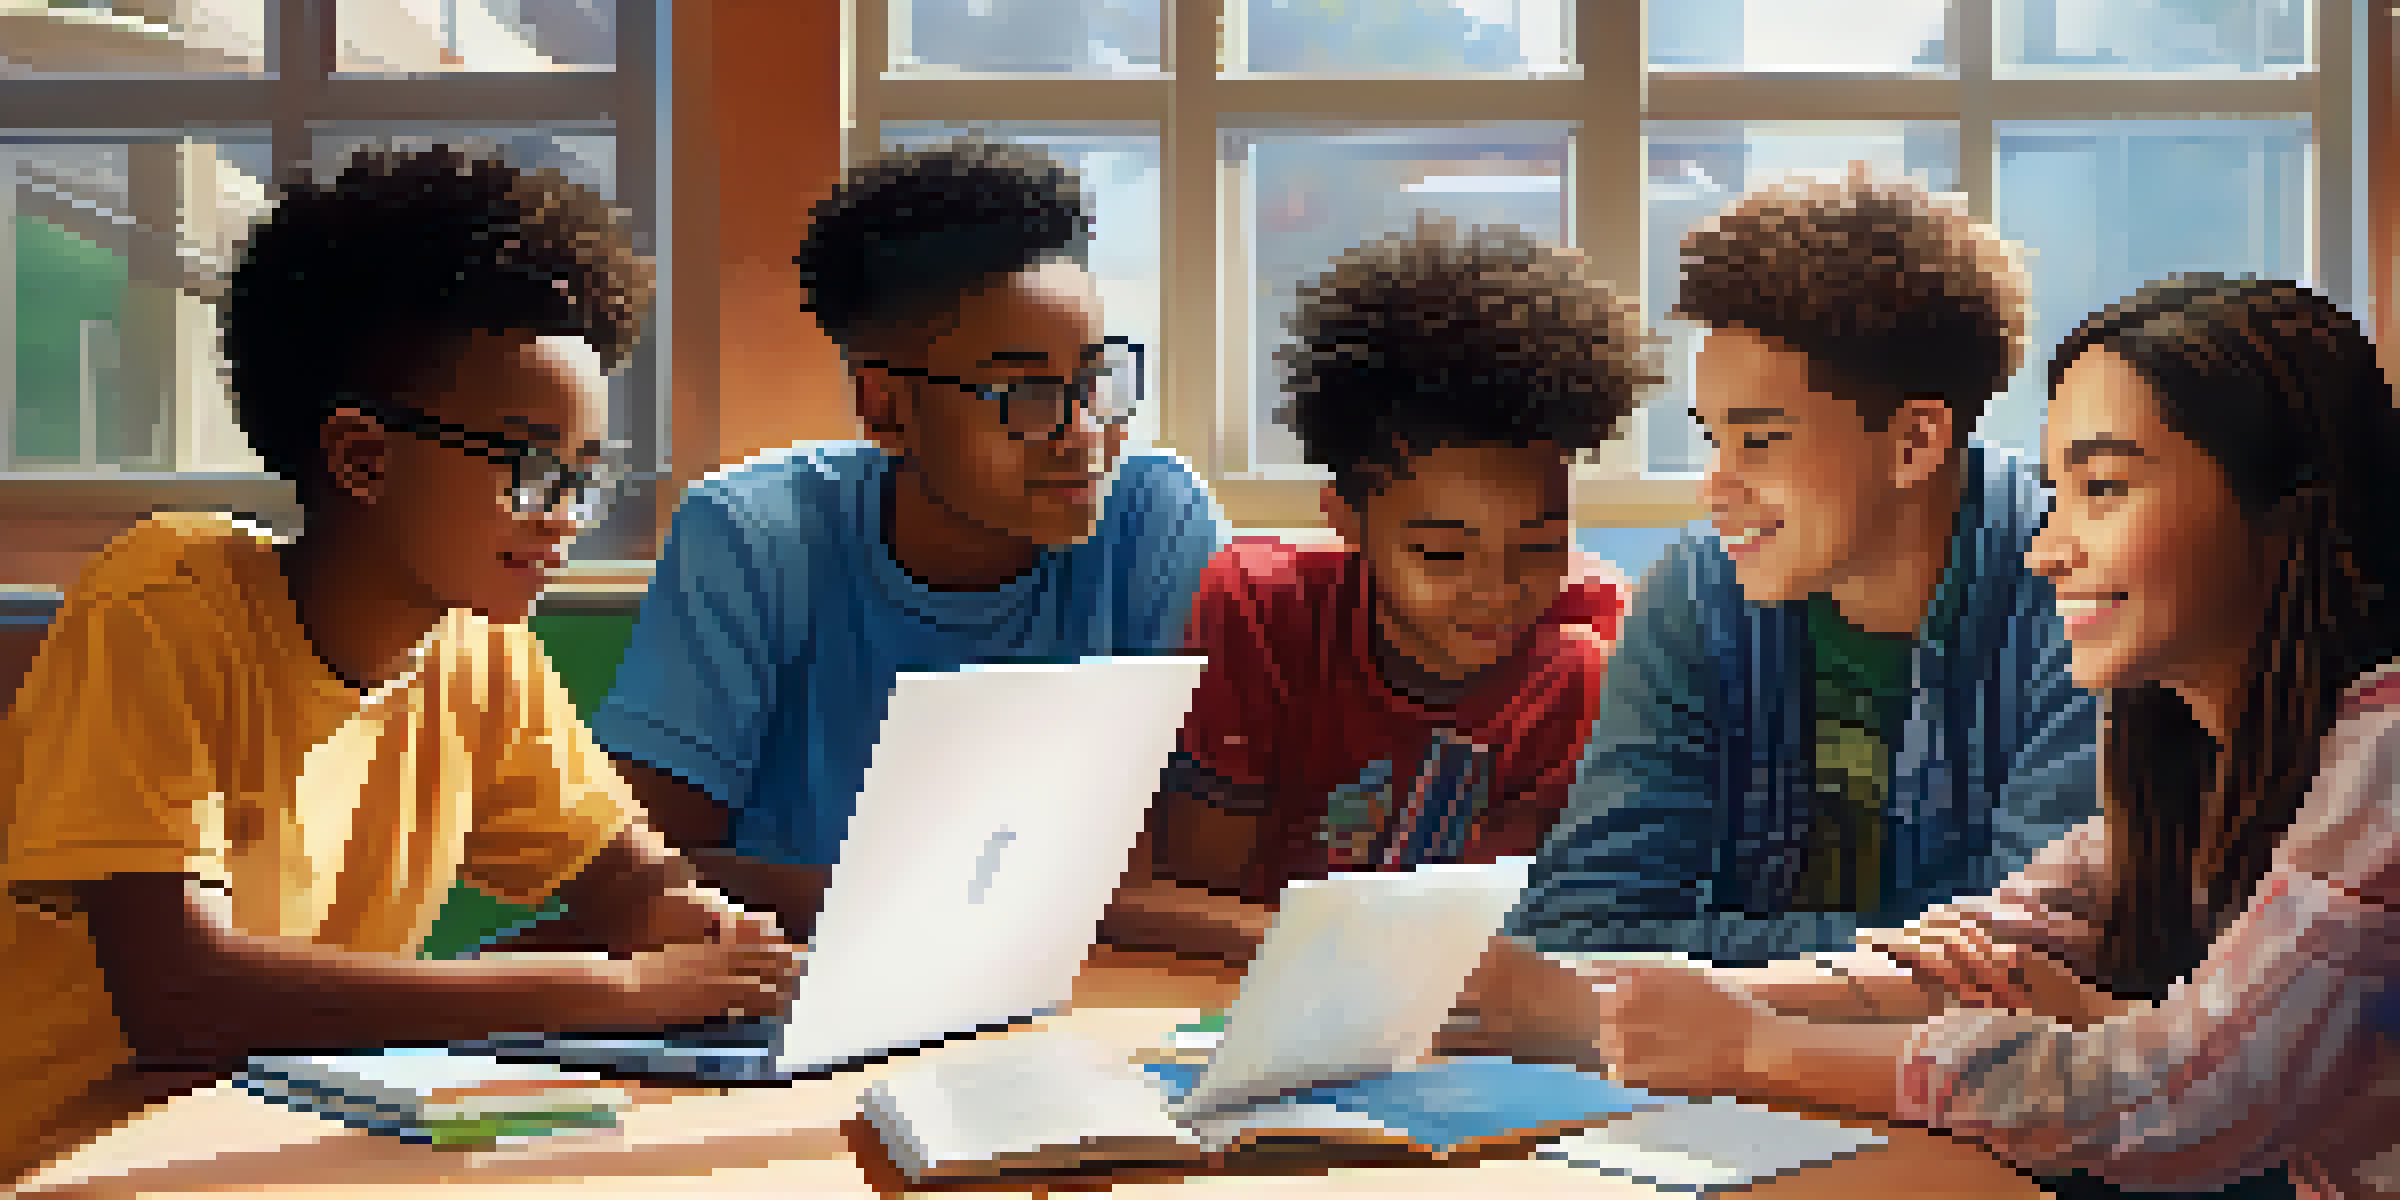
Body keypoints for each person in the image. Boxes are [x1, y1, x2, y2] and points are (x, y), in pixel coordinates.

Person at [1455, 275, 2400, 1199]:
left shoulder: (2385, 747)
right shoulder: (2186, 742)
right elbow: (2004, 932)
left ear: (2293, 511)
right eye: (2058, 489)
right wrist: (1600, 1001)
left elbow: (2185, 1091)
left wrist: (1756, 1044)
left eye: (2104, 487)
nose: (2050, 547)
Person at [0, 144, 804, 1185]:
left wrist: (694, 924)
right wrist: (614, 991)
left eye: (583, 478)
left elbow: (623, 878)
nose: (562, 517)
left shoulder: (481, 651)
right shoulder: (165, 599)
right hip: (82, 1157)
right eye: (529, 470)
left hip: (297, 1141)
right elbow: (182, 997)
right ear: (362, 457)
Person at [578, 137, 1227, 939]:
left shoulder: (1153, 520)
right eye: (1023, 393)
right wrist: (969, 910)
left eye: (1096, 379)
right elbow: (641, 870)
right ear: (884, 407)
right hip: (790, 996)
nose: (1082, 433)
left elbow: (1183, 857)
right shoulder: (753, 536)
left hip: (1071, 995)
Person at [1502, 166, 2098, 964]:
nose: (1719, 491)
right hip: (1713, 1084)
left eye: (1759, 441)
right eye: (1715, 439)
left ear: (1915, 442)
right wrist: (1913, 951)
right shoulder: (1697, 592)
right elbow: (1583, 928)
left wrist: (1711, 963)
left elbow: (2043, 955)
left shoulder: (2082, 601)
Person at [1097, 216, 1652, 964]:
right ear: (1345, 519)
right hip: (1225, 997)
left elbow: (1499, 938)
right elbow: (1189, 886)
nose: (1498, 589)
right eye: (1443, 553)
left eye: (1539, 543)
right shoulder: (1262, 611)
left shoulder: (1587, 643)